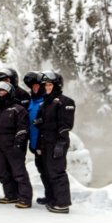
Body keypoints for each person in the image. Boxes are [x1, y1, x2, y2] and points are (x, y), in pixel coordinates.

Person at [34, 71, 75, 213]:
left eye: (50, 85)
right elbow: (44, 123)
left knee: (56, 171)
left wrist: (61, 144)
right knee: (45, 171)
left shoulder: (65, 101)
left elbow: (65, 126)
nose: (47, 87)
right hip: (45, 141)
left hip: (57, 141)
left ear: (57, 85)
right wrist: (40, 122)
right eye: (45, 85)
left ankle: (62, 204)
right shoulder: (46, 102)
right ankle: (51, 197)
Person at [0, 81, 33, 208]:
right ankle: (11, 195)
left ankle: (25, 198)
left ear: (10, 93)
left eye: (4, 91)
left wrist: (18, 143)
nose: (1, 93)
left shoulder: (18, 109)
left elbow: (23, 127)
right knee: (2, 171)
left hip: (13, 144)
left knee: (18, 172)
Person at [23, 71, 48, 205]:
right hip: (34, 142)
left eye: (38, 86)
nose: (35, 88)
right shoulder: (31, 101)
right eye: (33, 87)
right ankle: (49, 194)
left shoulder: (46, 101)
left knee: (50, 171)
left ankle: (55, 197)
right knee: (43, 171)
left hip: (44, 142)